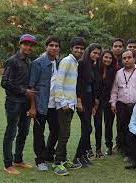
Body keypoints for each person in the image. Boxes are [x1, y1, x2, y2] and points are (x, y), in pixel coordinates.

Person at [1, 34, 38, 175]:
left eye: (31, 45)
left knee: (23, 132)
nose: (28, 47)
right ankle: (8, 164)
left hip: (25, 103)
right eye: (26, 44)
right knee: (11, 133)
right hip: (13, 103)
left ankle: (18, 159)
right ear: (20, 45)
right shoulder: (12, 61)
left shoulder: (29, 62)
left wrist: (29, 97)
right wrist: (24, 91)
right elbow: (4, 83)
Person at [53, 37, 85, 175]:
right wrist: (63, 102)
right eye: (76, 48)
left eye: (81, 48)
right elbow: (58, 83)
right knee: (64, 133)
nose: (79, 50)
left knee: (65, 133)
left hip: (70, 104)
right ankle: (58, 163)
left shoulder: (75, 62)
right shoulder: (66, 61)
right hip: (64, 104)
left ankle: (64, 160)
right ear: (71, 48)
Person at [110, 50, 136, 160]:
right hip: (122, 105)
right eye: (124, 58)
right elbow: (114, 90)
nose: (127, 60)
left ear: (134, 58)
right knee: (122, 128)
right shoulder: (119, 73)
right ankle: (125, 151)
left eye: (129, 57)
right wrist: (113, 103)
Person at [28, 36, 60, 171]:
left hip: (55, 105)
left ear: (59, 48)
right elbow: (31, 87)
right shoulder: (38, 63)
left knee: (56, 130)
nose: (53, 48)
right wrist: (32, 107)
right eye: (51, 45)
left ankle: (47, 153)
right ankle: (40, 160)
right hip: (41, 105)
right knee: (39, 133)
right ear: (46, 47)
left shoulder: (60, 63)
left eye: (56, 45)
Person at [73, 43, 102, 167]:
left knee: (86, 129)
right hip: (82, 100)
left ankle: (83, 156)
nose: (96, 55)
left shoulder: (93, 65)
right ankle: (77, 157)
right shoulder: (82, 64)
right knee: (87, 128)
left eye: (98, 54)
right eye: (94, 52)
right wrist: (78, 100)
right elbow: (78, 82)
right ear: (89, 52)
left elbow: (94, 84)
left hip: (90, 100)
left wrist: (95, 101)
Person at [93, 50, 116, 156]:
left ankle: (109, 146)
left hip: (108, 99)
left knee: (109, 124)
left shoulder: (114, 71)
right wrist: (95, 99)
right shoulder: (95, 68)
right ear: (102, 57)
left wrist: (113, 102)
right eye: (106, 57)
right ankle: (98, 148)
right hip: (96, 100)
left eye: (110, 58)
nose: (108, 60)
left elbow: (114, 87)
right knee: (97, 124)